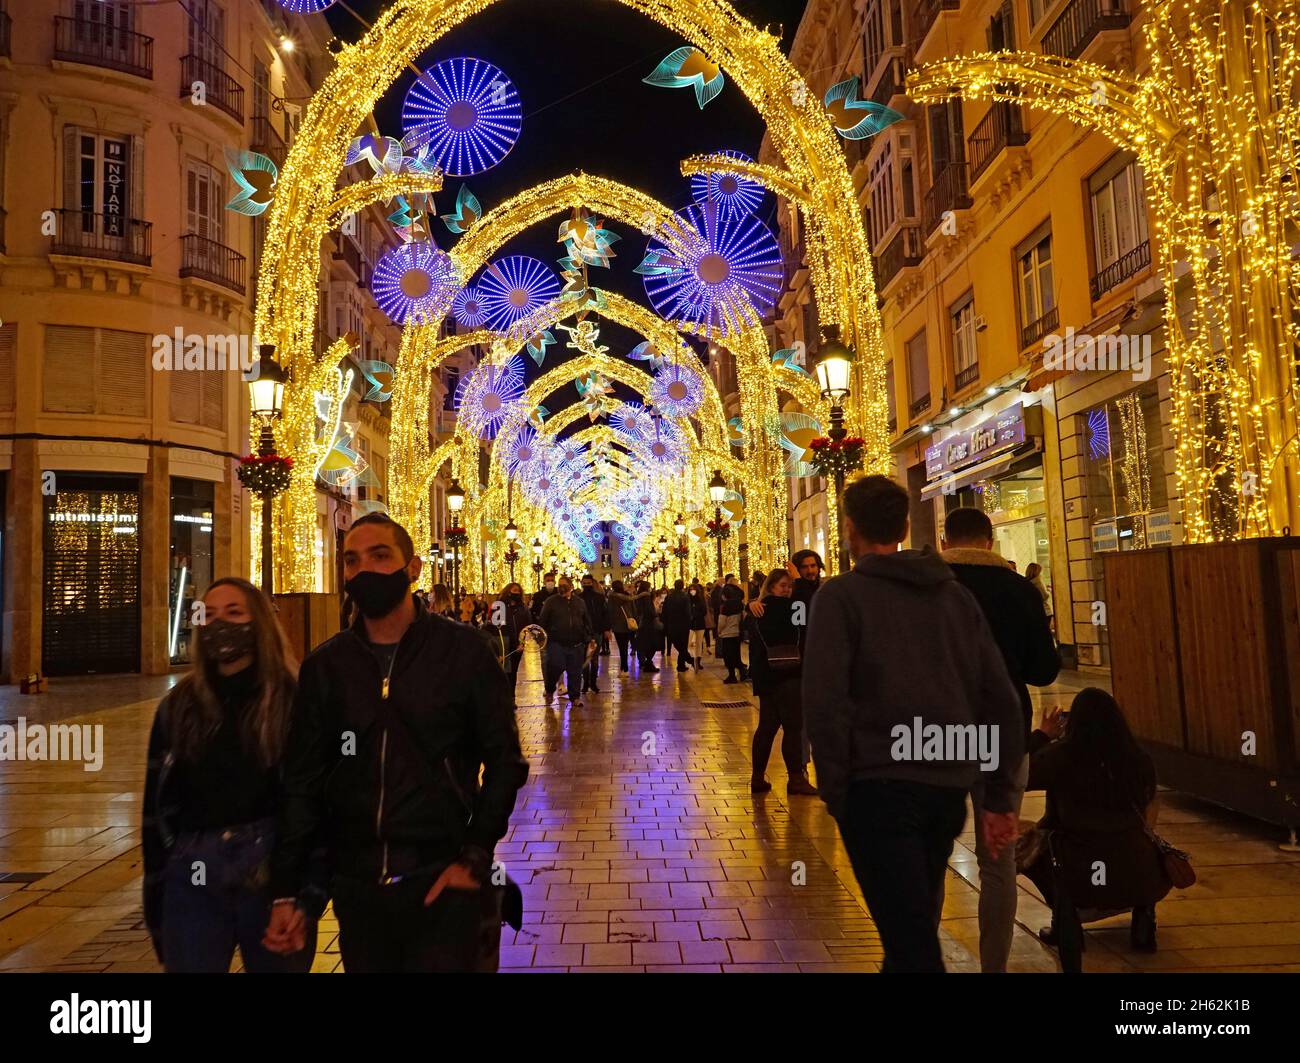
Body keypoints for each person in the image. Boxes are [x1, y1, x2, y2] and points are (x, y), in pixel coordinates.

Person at [265, 513, 528, 973]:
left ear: (414, 568)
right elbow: (303, 781)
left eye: (380, 555)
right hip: (359, 891)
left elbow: (506, 761)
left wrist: (473, 856)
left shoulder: (465, 653)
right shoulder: (327, 668)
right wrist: (290, 889)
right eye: (351, 560)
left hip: (442, 881)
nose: (363, 569)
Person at [802, 475, 1024, 973]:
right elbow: (1001, 700)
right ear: (905, 526)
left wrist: (838, 791)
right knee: (909, 931)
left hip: (877, 790)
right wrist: (1001, 797)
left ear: (849, 529)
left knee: (911, 944)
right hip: (945, 789)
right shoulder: (954, 597)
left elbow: (823, 702)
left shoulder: (840, 598)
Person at [142, 577, 318, 973]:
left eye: (235, 613)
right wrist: (157, 896)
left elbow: (310, 803)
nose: (220, 624)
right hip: (194, 873)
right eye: (210, 615)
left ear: (259, 623)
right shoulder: (178, 707)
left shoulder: (292, 701)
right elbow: (155, 812)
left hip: (271, 872)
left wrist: (303, 894)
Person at [940, 506, 1061, 973]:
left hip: (938, 736)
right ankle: (995, 966)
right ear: (990, 543)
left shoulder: (928, 589)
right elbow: (1044, 669)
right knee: (998, 861)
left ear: (947, 543)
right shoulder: (1019, 591)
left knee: (933, 850)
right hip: (1004, 736)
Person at [1021, 688, 1171, 972]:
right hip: (1137, 870)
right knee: (1139, 842)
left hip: (1078, 869)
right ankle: (1144, 917)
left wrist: (1042, 736)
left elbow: (1021, 775)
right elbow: (1150, 804)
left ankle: (1063, 922)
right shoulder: (1139, 759)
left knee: (1032, 846)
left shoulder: (1060, 757)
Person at [747, 569, 818, 797]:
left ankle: (757, 777)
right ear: (771, 587)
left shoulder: (758, 610)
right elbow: (806, 610)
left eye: (789, 586)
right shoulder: (790, 607)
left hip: (766, 676)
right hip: (788, 673)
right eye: (783, 586)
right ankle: (795, 779)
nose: (787, 590)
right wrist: (799, 581)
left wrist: (750, 604)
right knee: (793, 728)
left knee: (767, 727)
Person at [538, 576, 596, 706]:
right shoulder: (551, 601)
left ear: (571, 586)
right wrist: (544, 638)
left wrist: (590, 637)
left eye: (564, 585)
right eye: (559, 585)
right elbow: (543, 621)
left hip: (576, 643)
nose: (561, 587)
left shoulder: (580, 602)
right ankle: (549, 690)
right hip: (556, 642)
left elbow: (586, 620)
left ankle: (574, 697)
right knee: (555, 668)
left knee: (575, 671)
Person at [488, 582, 532, 693]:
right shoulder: (499, 605)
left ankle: (511, 697)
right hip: (503, 642)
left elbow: (527, 627)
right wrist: (497, 648)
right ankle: (504, 697)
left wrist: (522, 643)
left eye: (518, 591)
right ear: (508, 591)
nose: (516, 593)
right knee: (505, 672)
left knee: (513, 673)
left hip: (517, 643)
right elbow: (495, 627)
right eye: (514, 590)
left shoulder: (523, 608)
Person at [579, 574, 612, 693]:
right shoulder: (578, 598)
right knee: (585, 658)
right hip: (583, 633)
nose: (587, 585)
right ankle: (585, 683)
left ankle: (593, 683)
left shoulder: (599, 597)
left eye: (589, 583)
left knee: (594, 658)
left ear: (592, 583)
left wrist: (606, 629)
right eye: (585, 583)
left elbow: (605, 613)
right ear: (582, 583)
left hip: (597, 631)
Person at [715, 583, 748, 682]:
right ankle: (742, 672)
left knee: (728, 656)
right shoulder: (739, 604)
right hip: (737, 633)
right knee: (736, 655)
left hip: (727, 634)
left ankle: (732, 676)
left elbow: (722, 622)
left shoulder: (725, 606)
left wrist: (719, 631)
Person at [661, 579, 695, 672]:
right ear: (683, 586)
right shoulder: (685, 597)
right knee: (683, 645)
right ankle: (690, 660)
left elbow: (664, 611)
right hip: (683, 625)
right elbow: (688, 612)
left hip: (671, 625)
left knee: (677, 644)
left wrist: (665, 622)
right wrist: (689, 621)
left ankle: (681, 665)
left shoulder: (669, 597)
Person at [607, 579, 640, 673]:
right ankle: (625, 666)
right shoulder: (628, 596)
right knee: (625, 645)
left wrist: (609, 625)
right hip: (629, 624)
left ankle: (623, 666)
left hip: (617, 625)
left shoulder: (612, 597)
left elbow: (610, 611)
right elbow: (634, 610)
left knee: (621, 646)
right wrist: (636, 620)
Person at [635, 580, 662, 672]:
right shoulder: (646, 596)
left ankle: (643, 662)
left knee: (641, 644)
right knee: (651, 645)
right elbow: (649, 611)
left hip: (640, 623)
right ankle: (648, 663)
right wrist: (655, 615)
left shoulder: (638, 596)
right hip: (648, 624)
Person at [687, 583, 708, 670]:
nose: (692, 591)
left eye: (694, 589)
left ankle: (698, 662)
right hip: (690, 624)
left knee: (699, 643)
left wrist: (695, 615)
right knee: (687, 643)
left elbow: (704, 611)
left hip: (700, 623)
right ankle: (690, 659)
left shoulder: (701, 600)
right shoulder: (687, 600)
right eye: (691, 589)